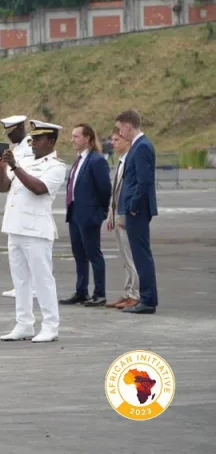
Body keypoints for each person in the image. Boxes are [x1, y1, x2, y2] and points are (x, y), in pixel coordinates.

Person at [0, 120, 66, 343]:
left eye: (38, 139)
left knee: (42, 279)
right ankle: (24, 323)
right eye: (32, 139)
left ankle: (50, 325)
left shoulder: (56, 166)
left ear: (51, 141)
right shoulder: (24, 160)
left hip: (36, 231)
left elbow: (38, 189)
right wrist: (3, 168)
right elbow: (4, 187)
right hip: (15, 226)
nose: (32, 143)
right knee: (20, 280)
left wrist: (15, 167)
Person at [60, 123, 112, 307]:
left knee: (93, 253)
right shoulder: (79, 159)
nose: (72, 139)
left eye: (76, 136)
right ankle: (81, 291)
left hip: (89, 214)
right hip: (74, 213)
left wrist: (102, 211)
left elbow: (105, 189)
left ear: (87, 138)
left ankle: (99, 293)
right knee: (79, 254)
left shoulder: (96, 160)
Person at [114, 109, 158, 314]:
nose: (119, 132)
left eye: (120, 127)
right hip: (135, 209)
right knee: (140, 255)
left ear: (128, 126)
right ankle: (147, 298)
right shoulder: (138, 146)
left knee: (141, 256)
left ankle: (148, 300)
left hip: (137, 210)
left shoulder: (141, 147)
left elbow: (144, 181)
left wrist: (132, 207)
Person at [0, 114, 34, 298]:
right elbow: (5, 186)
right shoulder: (17, 148)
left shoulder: (29, 149)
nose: (8, 138)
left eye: (11, 133)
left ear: (20, 129)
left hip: (27, 207)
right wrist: (1, 167)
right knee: (17, 254)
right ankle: (21, 286)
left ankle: (32, 288)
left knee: (29, 253)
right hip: (15, 208)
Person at [105, 129, 139, 309]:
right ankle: (127, 293)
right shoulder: (121, 161)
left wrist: (123, 215)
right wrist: (111, 213)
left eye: (117, 139)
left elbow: (130, 192)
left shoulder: (130, 162)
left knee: (131, 257)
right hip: (117, 214)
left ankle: (135, 294)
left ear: (127, 141)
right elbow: (116, 193)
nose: (113, 143)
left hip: (126, 215)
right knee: (125, 258)